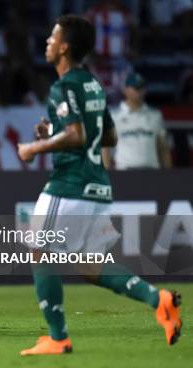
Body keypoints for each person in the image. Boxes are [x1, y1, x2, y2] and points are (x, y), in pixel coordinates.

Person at [16, 15, 181, 355]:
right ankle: (159, 300)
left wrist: (35, 147)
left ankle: (58, 337)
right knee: (90, 266)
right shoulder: (91, 84)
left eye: (52, 37)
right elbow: (108, 134)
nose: (47, 42)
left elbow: (77, 135)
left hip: (70, 184)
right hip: (98, 187)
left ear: (64, 47)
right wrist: (54, 132)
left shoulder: (64, 86)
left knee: (38, 247)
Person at [103, 72, 172, 169]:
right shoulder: (113, 115)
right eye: (135, 88)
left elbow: (163, 147)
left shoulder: (155, 115)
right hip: (124, 172)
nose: (139, 92)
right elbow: (106, 147)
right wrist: (107, 173)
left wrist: (168, 173)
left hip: (152, 171)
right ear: (126, 90)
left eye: (142, 88)